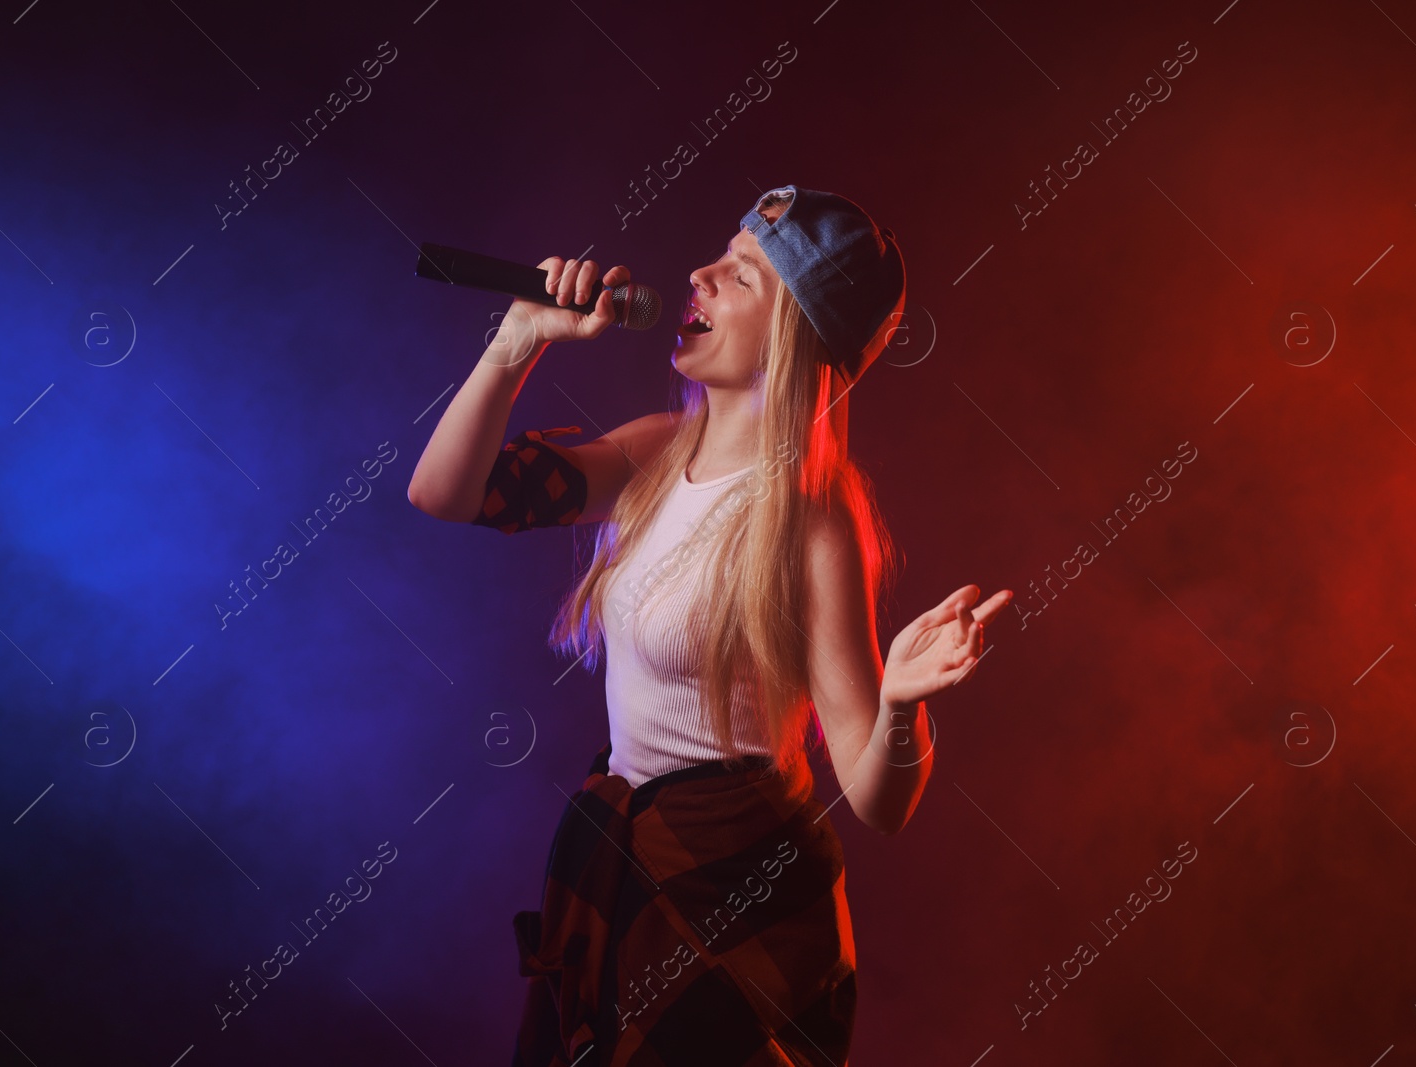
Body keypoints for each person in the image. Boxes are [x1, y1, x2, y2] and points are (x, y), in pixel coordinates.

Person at [407, 184, 1013, 1066]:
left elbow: (880, 801)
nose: (698, 274)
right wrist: (517, 342)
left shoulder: (812, 518)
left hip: (736, 889)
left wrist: (902, 703)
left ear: (796, 330)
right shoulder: (654, 450)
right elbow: (444, 492)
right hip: (621, 864)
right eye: (718, 256)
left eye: (741, 274)